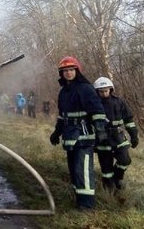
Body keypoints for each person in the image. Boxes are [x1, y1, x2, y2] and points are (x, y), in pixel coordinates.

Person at [49, 56, 107, 210]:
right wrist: (57, 131)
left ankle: (87, 206)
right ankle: (78, 199)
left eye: (71, 70)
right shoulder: (63, 92)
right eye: (65, 71)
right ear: (61, 73)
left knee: (83, 170)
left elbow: (98, 110)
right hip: (70, 137)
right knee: (74, 170)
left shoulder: (86, 88)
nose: (68, 73)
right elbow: (63, 115)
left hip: (84, 136)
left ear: (77, 71)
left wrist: (100, 130)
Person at [93, 77, 139, 191]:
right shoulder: (93, 104)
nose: (104, 93)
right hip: (102, 140)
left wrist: (134, 135)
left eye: (106, 90)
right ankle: (109, 188)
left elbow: (128, 120)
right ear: (97, 92)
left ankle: (118, 177)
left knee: (125, 160)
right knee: (106, 168)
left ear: (111, 89)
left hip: (118, 138)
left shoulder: (119, 102)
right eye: (101, 91)